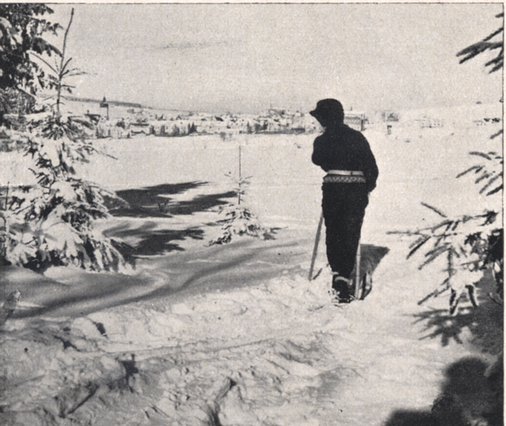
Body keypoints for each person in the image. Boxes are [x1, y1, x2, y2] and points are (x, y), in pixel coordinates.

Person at [310, 98, 378, 302]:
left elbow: (317, 159)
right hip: (356, 190)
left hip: (333, 188)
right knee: (351, 231)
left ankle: (338, 276)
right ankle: (345, 276)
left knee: (334, 231)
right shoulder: (358, 137)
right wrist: (365, 187)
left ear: (325, 119)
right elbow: (372, 168)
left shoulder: (321, 140)